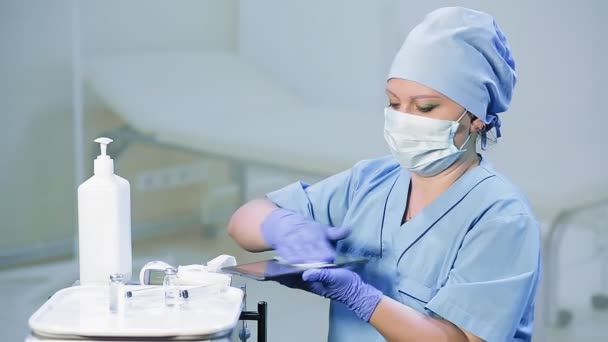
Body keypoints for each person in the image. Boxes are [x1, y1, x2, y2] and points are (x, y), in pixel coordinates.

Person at [228, 6, 541, 342]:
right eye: (394, 104)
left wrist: (362, 298)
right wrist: (281, 227)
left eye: (424, 107)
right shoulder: (372, 180)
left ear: (476, 117)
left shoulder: (502, 217)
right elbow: (243, 223)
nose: (404, 118)